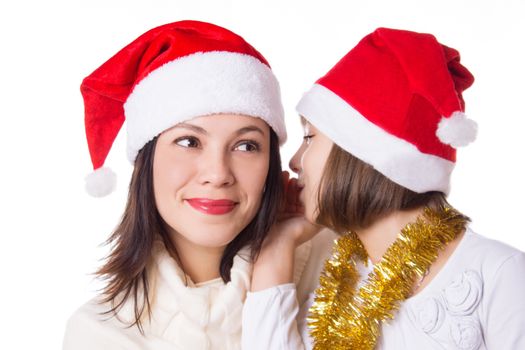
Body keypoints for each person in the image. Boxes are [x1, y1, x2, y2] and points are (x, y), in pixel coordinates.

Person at [242, 27, 525, 349]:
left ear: (361, 154)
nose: (294, 161)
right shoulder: (338, 286)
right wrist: (276, 246)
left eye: (310, 138)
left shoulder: (501, 274)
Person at [63, 20, 336, 350]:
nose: (218, 173)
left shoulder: (340, 270)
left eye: (246, 146)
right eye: (189, 141)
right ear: (146, 162)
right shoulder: (98, 335)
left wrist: (275, 259)